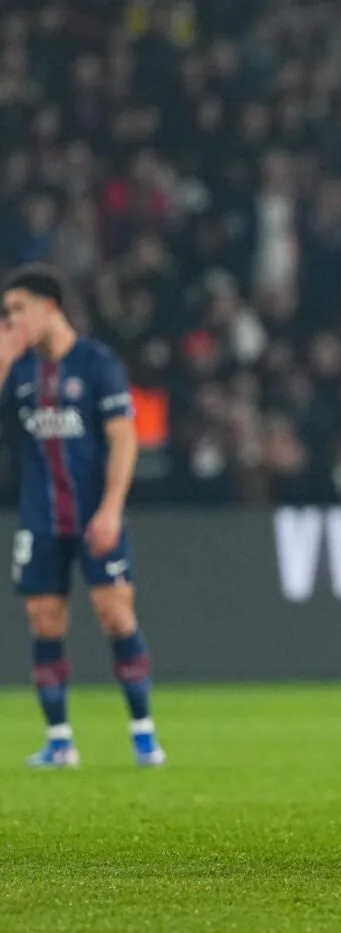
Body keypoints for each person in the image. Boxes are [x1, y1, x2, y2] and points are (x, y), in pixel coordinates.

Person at [0, 264, 164, 768]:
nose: (9, 321)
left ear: (49, 307)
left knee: (116, 615)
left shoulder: (96, 364)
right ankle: (59, 740)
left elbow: (123, 438)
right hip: (39, 516)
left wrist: (112, 508)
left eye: (16, 311)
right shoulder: (19, 370)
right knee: (43, 620)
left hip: (96, 515)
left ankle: (143, 734)